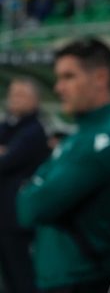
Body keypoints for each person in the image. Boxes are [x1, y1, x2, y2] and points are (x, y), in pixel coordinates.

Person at [17, 38, 110, 292]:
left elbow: (31, 207)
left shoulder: (105, 137)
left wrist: (34, 188)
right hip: (62, 278)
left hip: (82, 281)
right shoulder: (81, 134)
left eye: (68, 77)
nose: (58, 87)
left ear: (100, 78)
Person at [0, 78, 50, 293]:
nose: (14, 99)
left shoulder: (34, 131)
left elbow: (7, 160)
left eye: (21, 94)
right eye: (13, 93)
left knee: (21, 276)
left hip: (17, 218)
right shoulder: (9, 125)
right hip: (5, 216)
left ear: (35, 100)